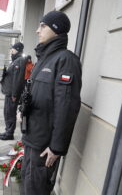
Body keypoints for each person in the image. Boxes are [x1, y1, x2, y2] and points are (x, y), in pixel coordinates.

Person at [20, 11, 82, 195]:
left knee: (35, 190)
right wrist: (21, 110)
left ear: (56, 29)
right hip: (32, 138)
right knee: (27, 186)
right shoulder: (43, 59)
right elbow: (33, 92)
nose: (37, 30)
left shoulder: (66, 60)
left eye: (43, 26)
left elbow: (67, 108)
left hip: (44, 146)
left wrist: (56, 147)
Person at [0, 42, 28, 140]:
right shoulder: (15, 60)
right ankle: (7, 130)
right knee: (7, 112)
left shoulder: (19, 61)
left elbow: (18, 79)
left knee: (10, 113)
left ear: (18, 49)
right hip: (9, 92)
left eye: (13, 49)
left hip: (12, 93)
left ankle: (9, 133)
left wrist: (15, 94)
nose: (11, 50)